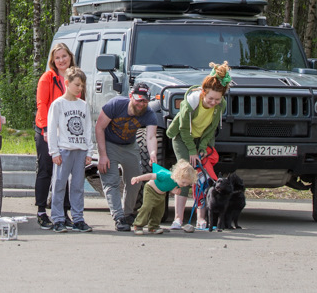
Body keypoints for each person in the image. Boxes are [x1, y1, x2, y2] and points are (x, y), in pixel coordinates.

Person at [165, 61, 231, 231]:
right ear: (203, 93)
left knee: (201, 176)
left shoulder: (220, 105)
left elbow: (211, 129)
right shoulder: (191, 102)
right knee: (186, 172)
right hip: (182, 138)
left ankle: (201, 219)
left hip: (200, 139)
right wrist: (192, 152)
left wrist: (201, 149)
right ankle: (178, 218)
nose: (214, 102)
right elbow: (183, 129)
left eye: (217, 99)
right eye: (211, 98)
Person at [95, 81, 159, 232]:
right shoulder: (116, 104)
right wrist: (102, 155)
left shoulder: (149, 113)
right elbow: (99, 127)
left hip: (130, 146)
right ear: (131, 96)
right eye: (138, 99)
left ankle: (128, 213)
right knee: (111, 181)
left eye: (145, 101)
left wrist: (153, 153)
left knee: (135, 180)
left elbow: (151, 137)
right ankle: (118, 217)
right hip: (109, 143)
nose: (141, 104)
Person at [47, 66, 94, 233]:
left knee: (78, 186)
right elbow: (52, 129)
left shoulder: (83, 105)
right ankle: (58, 218)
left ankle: (78, 218)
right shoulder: (58, 104)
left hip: (80, 150)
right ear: (67, 83)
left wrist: (89, 151)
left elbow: (88, 128)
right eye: (77, 85)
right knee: (59, 184)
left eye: (82, 85)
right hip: (64, 149)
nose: (80, 88)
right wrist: (54, 152)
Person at [34, 43, 75, 230]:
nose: (61, 60)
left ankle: (63, 212)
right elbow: (42, 104)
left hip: (66, 131)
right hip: (46, 129)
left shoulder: (75, 77)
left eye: (64, 56)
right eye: (57, 57)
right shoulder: (47, 78)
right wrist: (44, 130)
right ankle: (42, 211)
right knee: (46, 170)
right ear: (53, 60)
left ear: (70, 57)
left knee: (64, 173)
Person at [129, 160, 197, 235]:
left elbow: (169, 186)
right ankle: (138, 225)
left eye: (187, 184)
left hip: (161, 194)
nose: (184, 185)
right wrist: (138, 178)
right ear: (177, 176)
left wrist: (173, 191)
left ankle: (153, 226)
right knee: (147, 207)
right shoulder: (165, 175)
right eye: (183, 182)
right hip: (151, 190)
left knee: (159, 210)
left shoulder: (178, 183)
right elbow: (151, 176)